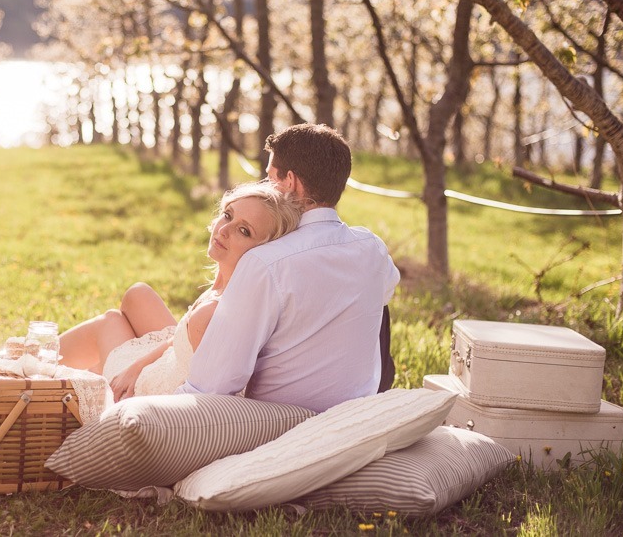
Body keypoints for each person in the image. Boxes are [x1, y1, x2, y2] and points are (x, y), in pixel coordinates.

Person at [177, 123, 401, 413]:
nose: (266, 187)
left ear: (291, 182)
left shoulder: (267, 262)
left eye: (271, 178)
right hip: (353, 414)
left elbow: (212, 386)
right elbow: (382, 297)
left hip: (275, 422)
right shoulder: (374, 249)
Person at [58, 182, 302, 402]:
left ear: (263, 251)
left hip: (148, 393)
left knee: (109, 322)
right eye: (227, 216)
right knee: (138, 294)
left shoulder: (217, 311)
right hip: (162, 364)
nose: (224, 230)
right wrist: (137, 365)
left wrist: (134, 375)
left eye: (244, 231)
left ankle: (29, 367)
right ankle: (64, 368)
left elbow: (209, 394)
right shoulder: (223, 289)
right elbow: (180, 343)